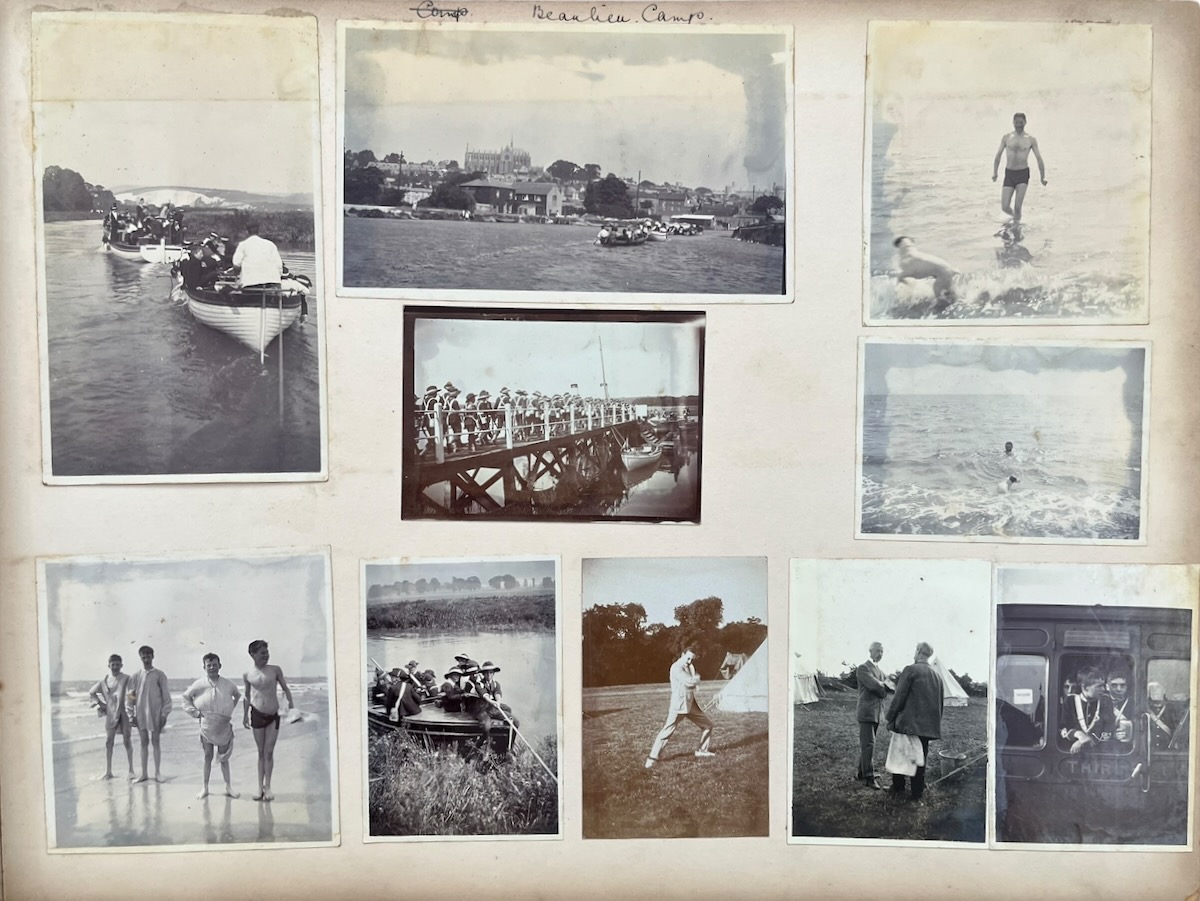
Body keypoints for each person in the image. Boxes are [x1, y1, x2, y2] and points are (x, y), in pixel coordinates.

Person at [884, 642, 943, 801]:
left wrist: (890, 717)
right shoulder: (937, 676)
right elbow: (940, 704)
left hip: (907, 724)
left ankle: (898, 787)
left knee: (900, 754)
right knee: (920, 758)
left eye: (915, 650)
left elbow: (899, 697)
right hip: (927, 726)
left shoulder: (910, 670)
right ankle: (917, 793)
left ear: (918, 651)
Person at [182, 653, 242, 800]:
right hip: (207, 724)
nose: (212, 667)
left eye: (215, 664)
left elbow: (237, 695)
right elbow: (186, 698)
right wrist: (195, 713)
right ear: (204, 667)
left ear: (219, 666)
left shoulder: (228, 684)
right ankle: (205, 787)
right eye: (209, 665)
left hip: (223, 725)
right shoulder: (199, 684)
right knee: (207, 756)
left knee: (224, 758)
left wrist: (228, 711)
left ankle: (228, 787)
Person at [242, 639, 294, 803]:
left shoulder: (275, 670)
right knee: (260, 752)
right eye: (262, 653)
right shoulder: (247, 674)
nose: (266, 656)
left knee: (269, 752)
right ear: (253, 654)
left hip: (273, 714)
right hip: (256, 714)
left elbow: (285, 688)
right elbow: (247, 695)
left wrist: (291, 708)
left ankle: (268, 787)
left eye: (267, 652)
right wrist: (244, 715)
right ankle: (259, 788)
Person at [645, 648, 714, 768]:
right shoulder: (676, 667)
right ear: (682, 654)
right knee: (667, 731)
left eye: (691, 659)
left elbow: (692, 684)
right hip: (678, 706)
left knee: (708, 725)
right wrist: (697, 678)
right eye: (687, 658)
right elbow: (689, 682)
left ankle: (702, 750)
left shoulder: (689, 666)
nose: (689, 661)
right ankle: (652, 758)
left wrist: (695, 678)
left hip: (690, 705)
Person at [126, 645, 172, 783]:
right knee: (143, 742)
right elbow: (130, 697)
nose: (146, 658)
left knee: (156, 742)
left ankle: (157, 772)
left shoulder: (160, 675)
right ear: (140, 658)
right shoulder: (135, 676)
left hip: (156, 713)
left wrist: (164, 714)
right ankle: (144, 773)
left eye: (148, 656)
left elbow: (166, 697)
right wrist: (130, 715)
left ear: (153, 656)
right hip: (140, 713)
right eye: (143, 656)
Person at [991, 112, 1047, 223]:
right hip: (1009, 173)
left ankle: (1016, 230)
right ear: (1013, 122)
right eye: (1017, 122)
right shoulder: (1007, 137)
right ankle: (1016, 218)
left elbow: (1039, 159)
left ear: (1025, 122)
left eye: (1021, 122)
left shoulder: (1030, 139)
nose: (1019, 125)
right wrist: (995, 172)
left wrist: (1042, 177)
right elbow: (998, 155)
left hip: (1022, 174)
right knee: (1005, 206)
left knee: (1017, 206)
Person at [88, 654, 134, 780]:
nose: (115, 667)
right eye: (113, 664)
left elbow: (132, 694)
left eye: (117, 664)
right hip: (110, 714)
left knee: (127, 740)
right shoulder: (104, 681)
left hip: (124, 712)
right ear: (109, 665)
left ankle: (131, 770)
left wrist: (132, 709)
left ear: (121, 665)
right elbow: (91, 692)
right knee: (109, 741)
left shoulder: (127, 678)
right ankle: (108, 771)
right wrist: (101, 703)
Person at [855, 642, 890, 789]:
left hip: (876, 712)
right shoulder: (863, 668)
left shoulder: (880, 671)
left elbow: (885, 691)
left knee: (868, 744)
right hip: (867, 712)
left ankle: (861, 773)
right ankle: (869, 778)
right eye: (877, 651)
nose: (880, 654)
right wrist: (882, 686)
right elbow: (874, 686)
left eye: (882, 651)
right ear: (870, 651)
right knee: (868, 744)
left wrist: (881, 686)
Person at [1059, 666, 1116, 754]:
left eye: (1103, 685)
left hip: (1099, 754)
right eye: (1099, 686)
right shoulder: (1070, 701)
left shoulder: (1106, 701)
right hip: (1072, 753)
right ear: (1085, 687)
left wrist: (1087, 741)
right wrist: (1079, 734)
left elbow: (1108, 728)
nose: (1103, 689)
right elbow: (1064, 727)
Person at [892, 236, 958, 308]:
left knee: (939, 296)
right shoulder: (914, 255)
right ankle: (955, 302)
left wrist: (901, 279)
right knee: (948, 294)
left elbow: (913, 273)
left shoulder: (908, 258)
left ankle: (944, 307)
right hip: (946, 271)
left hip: (944, 273)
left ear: (899, 246)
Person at [1146, 682, 1183, 751]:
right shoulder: (1144, 709)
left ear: (1164, 691)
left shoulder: (1172, 709)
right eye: (1151, 688)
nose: (1154, 691)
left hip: (1168, 753)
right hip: (1149, 751)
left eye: (1157, 688)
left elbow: (1179, 732)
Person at [1107, 670, 1135, 745]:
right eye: (1114, 685)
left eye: (1122, 685)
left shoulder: (1133, 704)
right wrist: (1112, 735)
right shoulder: (1101, 702)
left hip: (1127, 747)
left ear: (1127, 687)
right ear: (1107, 686)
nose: (1119, 689)